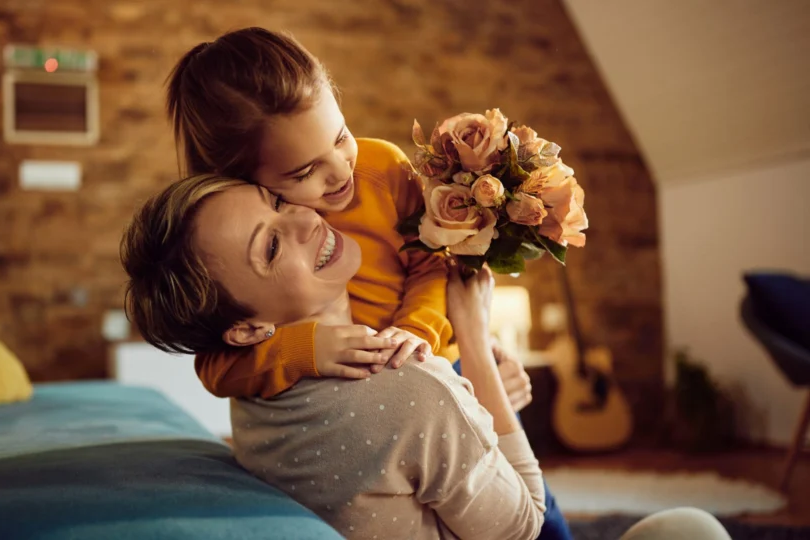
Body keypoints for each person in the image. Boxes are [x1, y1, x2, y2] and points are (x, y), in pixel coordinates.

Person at [120, 175, 730, 540]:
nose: (307, 218)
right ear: (249, 328)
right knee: (691, 527)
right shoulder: (408, 386)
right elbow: (524, 524)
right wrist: (472, 332)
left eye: (276, 201)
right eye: (273, 243)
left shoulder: (251, 395)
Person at [163, 26, 570, 538]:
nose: (339, 173)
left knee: (537, 505)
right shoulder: (260, 235)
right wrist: (306, 347)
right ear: (245, 183)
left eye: (340, 137)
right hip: (389, 394)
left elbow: (427, 266)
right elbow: (217, 366)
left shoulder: (383, 168)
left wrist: (430, 338)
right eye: (304, 171)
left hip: (427, 356)